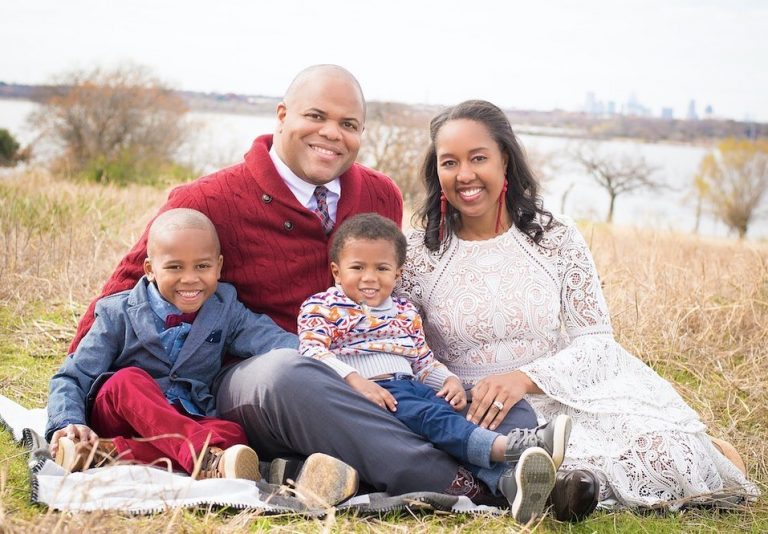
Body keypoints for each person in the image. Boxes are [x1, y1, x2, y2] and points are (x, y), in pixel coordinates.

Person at [65, 65, 549, 504]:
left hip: (367, 370)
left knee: (503, 407)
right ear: (282, 116)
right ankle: (460, 485)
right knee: (291, 374)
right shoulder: (208, 199)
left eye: (348, 124)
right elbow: (121, 296)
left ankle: (513, 470)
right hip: (263, 382)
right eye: (316, 116)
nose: (331, 133)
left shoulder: (379, 193)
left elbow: (389, 290)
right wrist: (72, 414)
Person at [400, 99, 759, 518]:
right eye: (449, 162)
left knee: (665, 452)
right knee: (529, 463)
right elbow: (402, 343)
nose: (464, 175)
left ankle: (685, 460)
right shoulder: (418, 254)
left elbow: (596, 343)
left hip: (559, 392)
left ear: (505, 160)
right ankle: (573, 490)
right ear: (436, 170)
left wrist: (525, 379)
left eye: (478, 158)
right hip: (478, 409)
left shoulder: (555, 237)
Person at [298, 213, 573, 520]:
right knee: (433, 419)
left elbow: (422, 360)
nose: (370, 277)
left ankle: (506, 483)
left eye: (382, 268)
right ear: (336, 271)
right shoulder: (323, 306)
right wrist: (355, 381)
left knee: (454, 415)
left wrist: (448, 380)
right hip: (372, 392)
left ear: (398, 274)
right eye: (357, 268)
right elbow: (311, 351)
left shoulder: (404, 312)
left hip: (410, 387)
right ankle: (509, 448)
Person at [46, 208, 294, 480]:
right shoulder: (117, 313)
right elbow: (72, 376)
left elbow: (267, 337)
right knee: (126, 380)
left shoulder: (225, 308)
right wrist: (68, 421)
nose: (190, 278)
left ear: (219, 266)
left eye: (202, 266)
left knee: (233, 434)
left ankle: (105, 453)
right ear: (150, 270)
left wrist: (319, 354)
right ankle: (201, 455)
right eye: (175, 267)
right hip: (121, 415)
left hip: (185, 419)